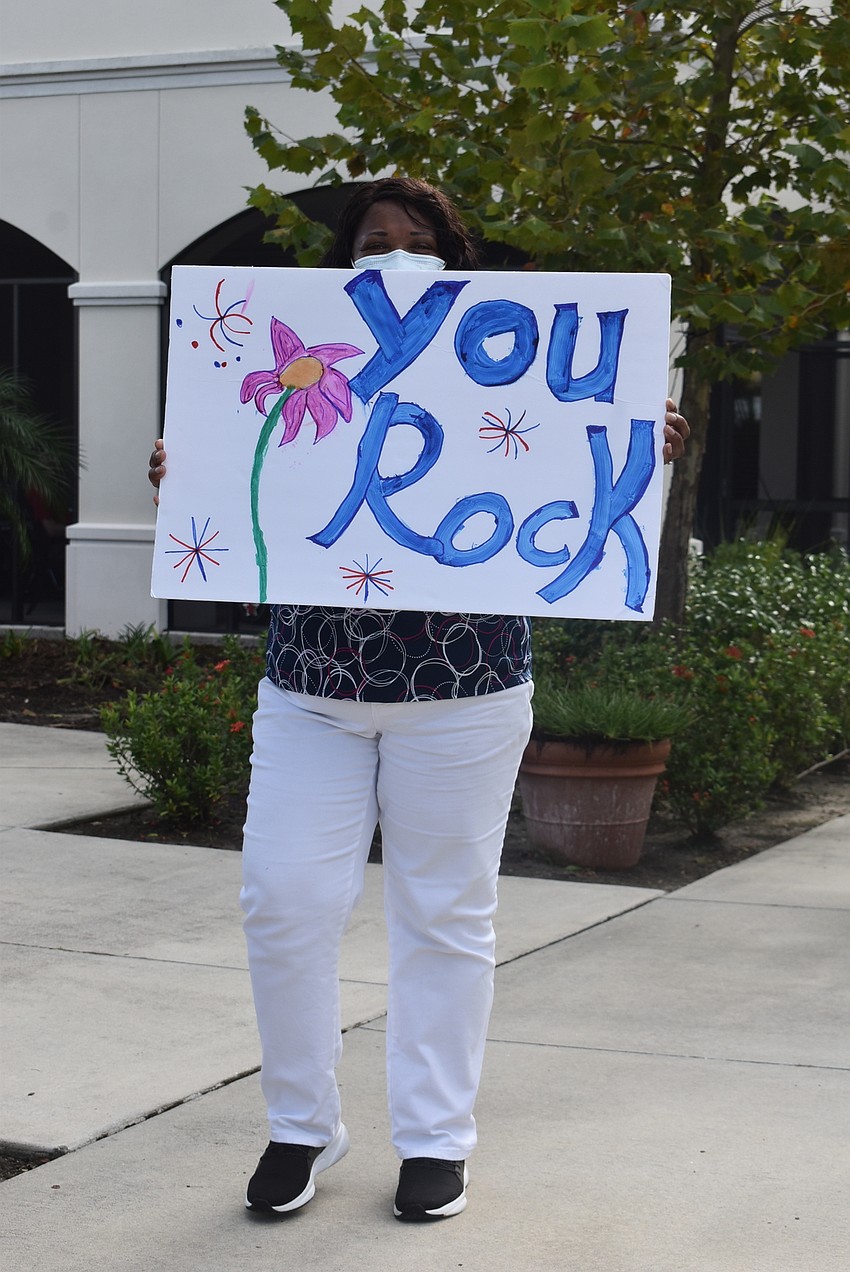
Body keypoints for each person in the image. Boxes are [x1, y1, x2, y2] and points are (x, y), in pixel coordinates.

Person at [149, 177, 689, 1223]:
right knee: (284, 902)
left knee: (446, 916)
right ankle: (301, 1125)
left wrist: (634, 438)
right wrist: (196, 469)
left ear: (455, 262)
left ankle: (436, 1139)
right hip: (312, 689)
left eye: (415, 241)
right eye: (370, 243)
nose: (392, 256)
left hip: (466, 690)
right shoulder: (308, 364)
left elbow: (572, 466)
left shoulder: (509, 364)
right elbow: (245, 480)